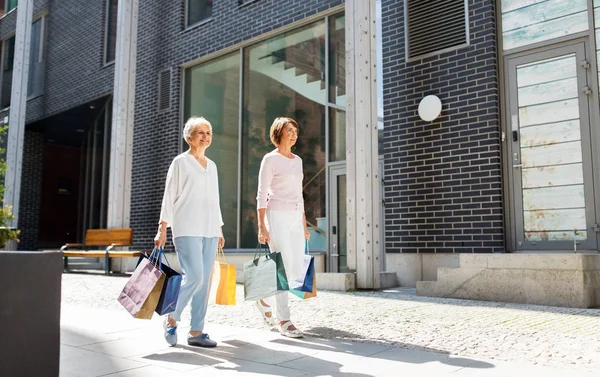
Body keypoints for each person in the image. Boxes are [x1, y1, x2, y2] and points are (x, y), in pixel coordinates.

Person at [154, 116, 225, 348]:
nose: (205, 136)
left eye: (209, 132)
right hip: (186, 227)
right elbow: (169, 195)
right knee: (194, 276)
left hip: (209, 229)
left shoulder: (212, 166)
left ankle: (196, 331)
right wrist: (162, 227)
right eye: (200, 132)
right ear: (189, 137)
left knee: (204, 283)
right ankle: (171, 319)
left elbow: (214, 199)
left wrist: (219, 228)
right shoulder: (180, 162)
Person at [255, 116, 310, 338]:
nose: (294, 133)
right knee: (282, 267)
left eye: (295, 130)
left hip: (295, 216)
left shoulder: (297, 160)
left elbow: (300, 194)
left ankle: (264, 298)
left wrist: (304, 223)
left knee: (296, 269)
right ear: (279, 132)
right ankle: (284, 320)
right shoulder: (270, 159)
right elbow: (261, 193)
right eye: (289, 129)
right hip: (276, 215)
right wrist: (261, 225)